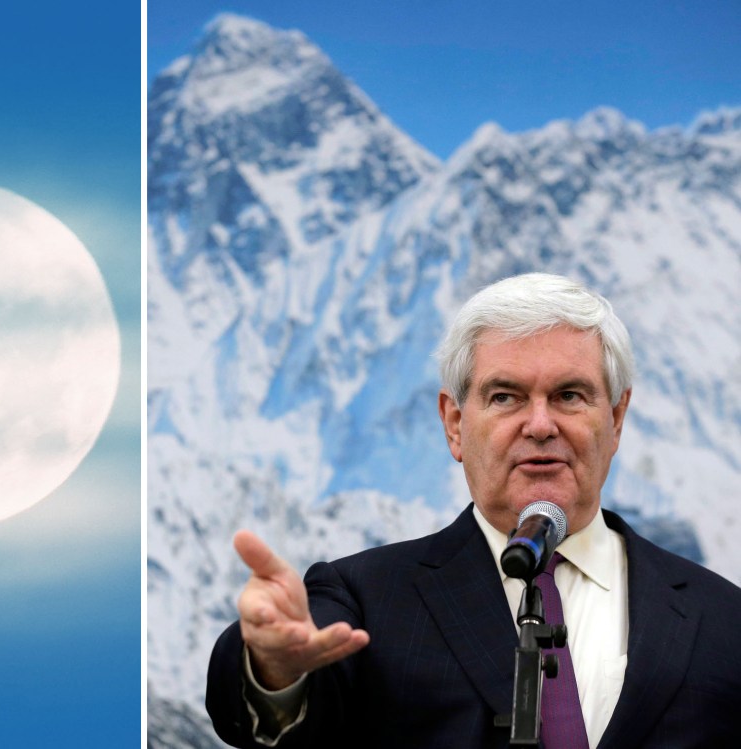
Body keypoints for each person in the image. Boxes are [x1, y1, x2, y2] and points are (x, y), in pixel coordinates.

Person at [206, 273, 741, 748]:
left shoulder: (723, 619)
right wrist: (274, 669)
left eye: (570, 395)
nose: (539, 425)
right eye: (505, 397)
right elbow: (266, 718)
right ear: (455, 423)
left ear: (617, 419)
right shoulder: (365, 596)